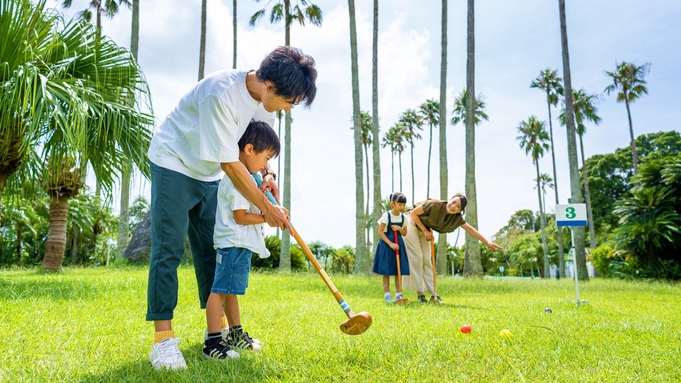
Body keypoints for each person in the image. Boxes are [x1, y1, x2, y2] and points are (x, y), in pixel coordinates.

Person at [146, 46, 317, 370]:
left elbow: (257, 147)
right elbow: (230, 163)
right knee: (167, 249)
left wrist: (268, 175)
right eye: (289, 102)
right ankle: (163, 341)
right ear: (270, 88)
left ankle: (218, 337)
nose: (287, 109)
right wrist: (266, 208)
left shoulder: (263, 105)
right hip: (174, 161)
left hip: (207, 172)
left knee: (215, 252)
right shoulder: (221, 94)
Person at [203, 121, 279, 360]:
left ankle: (235, 335)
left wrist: (269, 200)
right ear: (248, 149)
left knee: (230, 291)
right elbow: (240, 216)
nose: (266, 165)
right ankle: (213, 342)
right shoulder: (238, 179)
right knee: (219, 291)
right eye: (265, 158)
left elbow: (257, 201)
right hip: (232, 242)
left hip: (239, 242)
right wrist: (267, 216)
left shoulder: (250, 177)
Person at [402, 194, 502, 303]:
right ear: (449, 200)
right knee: (417, 257)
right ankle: (420, 295)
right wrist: (426, 231)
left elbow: (470, 229)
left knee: (427, 259)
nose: (453, 206)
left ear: (460, 210)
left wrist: (487, 242)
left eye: (458, 206)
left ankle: (433, 294)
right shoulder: (435, 204)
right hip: (410, 221)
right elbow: (413, 213)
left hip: (424, 226)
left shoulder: (456, 218)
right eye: (453, 202)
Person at [371, 193, 410, 303]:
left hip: (399, 245)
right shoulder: (386, 216)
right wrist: (390, 243)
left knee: (398, 270)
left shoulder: (404, 217)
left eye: (404, 205)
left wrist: (399, 228)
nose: (402, 207)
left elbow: (405, 233)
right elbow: (380, 232)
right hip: (387, 245)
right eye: (400, 204)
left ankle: (398, 294)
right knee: (386, 270)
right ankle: (387, 295)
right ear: (392, 204)